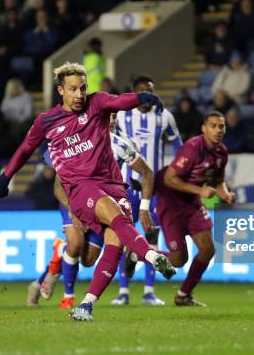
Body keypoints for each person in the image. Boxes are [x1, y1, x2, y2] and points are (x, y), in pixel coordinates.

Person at [0, 62, 175, 321]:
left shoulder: (97, 103)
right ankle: (151, 255)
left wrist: (140, 98)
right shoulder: (46, 121)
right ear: (61, 90)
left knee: (107, 248)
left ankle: (86, 305)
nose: (79, 94)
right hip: (81, 187)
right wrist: (6, 176)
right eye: (73, 89)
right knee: (111, 223)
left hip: (114, 184)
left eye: (82, 88)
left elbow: (120, 101)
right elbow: (25, 149)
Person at [28, 113, 156, 309]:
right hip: (72, 200)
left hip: (104, 203)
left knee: (88, 260)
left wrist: (140, 199)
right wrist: (74, 211)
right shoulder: (75, 141)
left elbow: (146, 172)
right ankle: (68, 298)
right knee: (76, 243)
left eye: (113, 117)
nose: (110, 120)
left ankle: (59, 253)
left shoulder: (121, 145)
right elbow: (58, 187)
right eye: (108, 116)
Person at [111, 75, 182, 306]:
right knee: (123, 237)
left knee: (151, 236)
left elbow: (179, 148)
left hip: (153, 189)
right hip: (126, 185)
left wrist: (175, 174)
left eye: (150, 90)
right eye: (142, 90)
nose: (147, 95)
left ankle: (149, 291)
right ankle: (123, 291)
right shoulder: (121, 115)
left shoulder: (164, 116)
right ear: (135, 92)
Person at [154, 111, 235, 306]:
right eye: (213, 126)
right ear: (204, 129)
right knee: (178, 259)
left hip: (191, 203)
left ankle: (183, 296)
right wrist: (200, 190)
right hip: (171, 202)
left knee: (208, 249)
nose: (217, 130)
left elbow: (218, 180)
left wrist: (224, 192)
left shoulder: (222, 152)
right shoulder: (192, 148)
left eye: (221, 126)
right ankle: (138, 254)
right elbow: (169, 179)